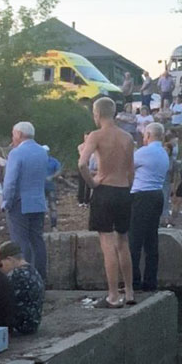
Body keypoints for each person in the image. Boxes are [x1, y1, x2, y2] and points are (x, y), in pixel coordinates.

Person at [78, 97, 135, 308]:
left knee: (107, 244)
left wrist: (92, 183)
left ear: (97, 114)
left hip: (104, 189)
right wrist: (126, 187)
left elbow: (82, 163)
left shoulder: (96, 135)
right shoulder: (127, 137)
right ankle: (129, 291)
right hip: (123, 190)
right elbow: (131, 171)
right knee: (123, 242)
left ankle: (113, 295)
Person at [3, 121, 48, 281]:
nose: (12, 138)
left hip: (20, 203)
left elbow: (10, 182)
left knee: (20, 242)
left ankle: (23, 278)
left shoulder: (16, 153)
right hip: (39, 202)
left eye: (13, 134)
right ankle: (40, 278)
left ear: (19, 135)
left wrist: (6, 202)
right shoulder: (42, 152)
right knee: (37, 240)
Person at [129, 123, 169, 292]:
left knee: (135, 240)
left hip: (142, 195)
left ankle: (134, 280)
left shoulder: (144, 152)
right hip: (157, 194)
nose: (143, 138)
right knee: (151, 239)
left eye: (145, 134)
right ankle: (150, 281)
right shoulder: (164, 153)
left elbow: (127, 167)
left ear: (150, 134)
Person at [0, 241, 44, 335]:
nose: (1, 268)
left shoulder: (16, 275)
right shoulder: (33, 270)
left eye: (1, 264)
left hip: (19, 327)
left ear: (9, 259)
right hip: (33, 322)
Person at [42, 145, 62, 232]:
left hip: (51, 187)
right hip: (40, 188)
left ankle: (54, 226)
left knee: (53, 207)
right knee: (41, 207)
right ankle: (41, 226)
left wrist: (52, 176)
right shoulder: (37, 162)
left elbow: (59, 171)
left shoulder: (54, 161)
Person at [76, 131, 96, 208]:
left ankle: (87, 201)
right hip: (83, 165)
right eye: (85, 137)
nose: (86, 139)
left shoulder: (93, 146)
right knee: (81, 183)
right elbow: (82, 155)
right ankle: (80, 200)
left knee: (88, 183)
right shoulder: (81, 146)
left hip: (90, 165)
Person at [161, 141, 176, 227]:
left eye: (167, 150)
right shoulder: (159, 159)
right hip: (158, 182)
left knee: (166, 201)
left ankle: (165, 219)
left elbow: (174, 174)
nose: (166, 151)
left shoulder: (172, 161)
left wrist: (173, 185)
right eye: (164, 149)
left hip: (167, 183)